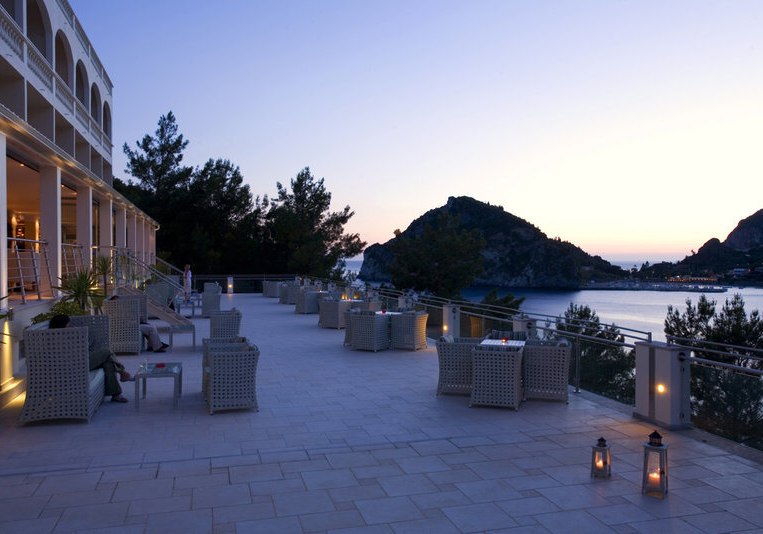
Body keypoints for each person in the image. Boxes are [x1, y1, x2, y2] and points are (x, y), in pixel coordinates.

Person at [49, 314, 132, 403]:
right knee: (107, 352)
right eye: (68, 325)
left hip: (81, 360)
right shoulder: (57, 339)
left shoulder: (67, 335)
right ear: (62, 326)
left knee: (108, 363)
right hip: (76, 365)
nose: (70, 327)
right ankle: (123, 372)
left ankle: (116, 395)